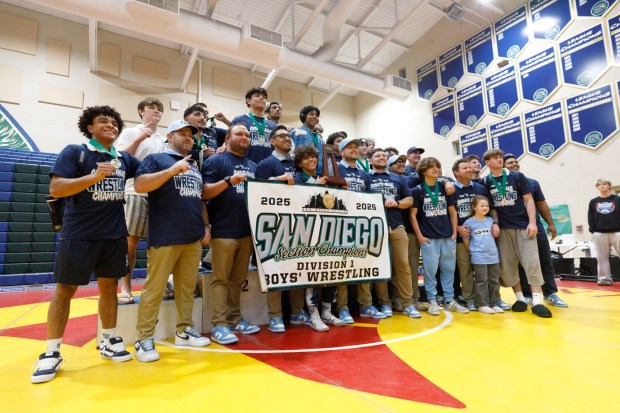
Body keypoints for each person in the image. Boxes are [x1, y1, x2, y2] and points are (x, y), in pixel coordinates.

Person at [31, 106, 140, 383]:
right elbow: (56, 189)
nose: (111, 125)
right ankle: (51, 353)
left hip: (114, 234)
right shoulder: (76, 152)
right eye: (103, 121)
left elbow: (150, 171)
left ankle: (107, 340)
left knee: (109, 288)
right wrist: (93, 177)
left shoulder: (124, 159)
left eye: (114, 123)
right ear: (90, 127)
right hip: (79, 234)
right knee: (64, 290)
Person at [133, 120, 211, 362]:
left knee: (187, 288)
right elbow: (139, 185)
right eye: (183, 134)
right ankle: (144, 339)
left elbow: (199, 199)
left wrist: (206, 225)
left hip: (192, 236)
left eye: (191, 135)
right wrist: (171, 170)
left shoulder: (194, 166)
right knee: (154, 289)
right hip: (166, 235)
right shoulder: (156, 160)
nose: (189, 138)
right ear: (170, 136)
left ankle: (184, 331)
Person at [202, 124, 260, 344]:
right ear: (227, 138)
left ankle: (235, 319)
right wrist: (228, 182)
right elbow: (204, 192)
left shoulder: (253, 166)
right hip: (223, 230)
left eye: (247, 135)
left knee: (237, 280)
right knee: (221, 279)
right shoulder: (215, 161)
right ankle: (219, 324)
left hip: (246, 232)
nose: (244, 137)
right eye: (239, 134)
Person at [479, 149, 552, 318]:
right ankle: (519, 298)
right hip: (503, 229)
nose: (499, 160)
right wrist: (495, 224)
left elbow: (529, 200)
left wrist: (532, 222)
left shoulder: (517, 177)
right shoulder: (485, 181)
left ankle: (537, 301)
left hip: (523, 226)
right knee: (508, 266)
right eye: (495, 158)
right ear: (487, 162)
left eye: (500, 157)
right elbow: (492, 208)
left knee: (532, 262)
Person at [255, 125, 311, 332]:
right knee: (275, 271)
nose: (287, 139)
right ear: (272, 141)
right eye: (281, 136)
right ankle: (275, 317)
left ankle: (297, 311)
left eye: (289, 136)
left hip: (299, 223)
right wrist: (276, 180)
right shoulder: (266, 163)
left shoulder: (296, 164)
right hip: (275, 225)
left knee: (297, 270)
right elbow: (256, 189)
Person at [115, 97, 166, 304]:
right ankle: (125, 287)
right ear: (140, 112)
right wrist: (139, 139)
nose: (156, 111)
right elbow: (118, 158)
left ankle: (156, 286)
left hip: (159, 195)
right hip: (134, 191)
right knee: (131, 242)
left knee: (159, 244)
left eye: (159, 109)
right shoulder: (129, 132)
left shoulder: (164, 139)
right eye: (151, 108)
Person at [503, 154, 568, 307]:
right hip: (514, 229)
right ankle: (527, 294)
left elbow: (541, 204)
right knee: (520, 264)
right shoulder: (501, 185)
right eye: (510, 163)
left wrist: (550, 224)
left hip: (535, 228)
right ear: (504, 167)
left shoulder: (532, 183)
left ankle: (550, 293)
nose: (514, 164)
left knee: (544, 260)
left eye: (516, 162)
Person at [292, 145, 344, 331]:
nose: (311, 160)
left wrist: (343, 190)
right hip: (307, 233)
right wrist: (315, 187)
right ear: (299, 163)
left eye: (313, 157)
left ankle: (327, 311)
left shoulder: (328, 178)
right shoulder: (296, 179)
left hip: (329, 230)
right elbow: (294, 201)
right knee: (313, 275)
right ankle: (313, 314)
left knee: (331, 272)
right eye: (305, 158)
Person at [409, 157, 469, 316]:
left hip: (448, 236)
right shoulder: (417, 190)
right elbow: (413, 216)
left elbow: (452, 211)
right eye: (432, 167)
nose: (436, 169)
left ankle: (449, 300)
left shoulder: (445, 188)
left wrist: (455, 232)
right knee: (430, 271)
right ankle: (432, 301)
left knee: (449, 269)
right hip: (429, 237)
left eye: (438, 166)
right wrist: (420, 237)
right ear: (423, 171)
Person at [336, 137, 386, 322]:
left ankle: (366, 306)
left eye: (356, 147)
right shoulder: (335, 169)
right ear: (341, 151)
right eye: (349, 147)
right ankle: (342, 308)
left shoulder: (363, 173)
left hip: (362, 224)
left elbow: (370, 200)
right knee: (342, 267)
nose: (354, 150)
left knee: (363, 265)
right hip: (341, 223)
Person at [367, 148, 421, 318]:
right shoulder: (366, 177)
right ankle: (385, 304)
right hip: (375, 228)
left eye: (384, 155)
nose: (381, 157)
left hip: (398, 227)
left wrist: (396, 203)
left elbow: (409, 200)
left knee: (403, 266)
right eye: (377, 155)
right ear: (370, 160)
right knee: (381, 267)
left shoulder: (398, 178)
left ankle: (408, 303)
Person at [451, 158, 493, 311]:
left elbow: (490, 209)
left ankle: (489, 299)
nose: (469, 170)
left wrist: (494, 223)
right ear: (456, 172)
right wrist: (457, 228)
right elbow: (449, 213)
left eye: (470, 167)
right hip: (463, 238)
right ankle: (469, 298)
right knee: (465, 269)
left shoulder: (480, 189)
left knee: (485, 269)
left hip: (482, 237)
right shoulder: (450, 190)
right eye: (465, 168)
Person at [388, 154, 426, 312]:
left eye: (403, 162)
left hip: (408, 229)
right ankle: (395, 298)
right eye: (397, 162)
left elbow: (436, 178)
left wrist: (446, 181)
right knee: (393, 268)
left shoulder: (412, 179)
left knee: (407, 267)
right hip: (393, 226)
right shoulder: (385, 180)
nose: (401, 164)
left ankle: (412, 299)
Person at [463, 195, 502, 314]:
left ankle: (494, 303)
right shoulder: (469, 222)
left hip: (493, 256)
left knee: (494, 280)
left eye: (487, 206)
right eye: (482, 206)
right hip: (479, 257)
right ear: (474, 207)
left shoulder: (490, 221)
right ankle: (482, 304)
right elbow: (466, 239)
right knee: (481, 281)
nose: (485, 208)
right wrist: (472, 251)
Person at [231, 87, 277, 164]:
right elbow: (231, 144)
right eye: (257, 96)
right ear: (249, 101)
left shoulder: (273, 125)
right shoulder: (239, 120)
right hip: (245, 166)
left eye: (264, 97)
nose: (261, 98)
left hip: (268, 168)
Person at [588, 178, 620, 286]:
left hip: (617, 232)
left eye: (604, 184)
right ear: (597, 187)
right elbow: (590, 217)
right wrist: (593, 231)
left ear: (609, 186)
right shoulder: (593, 202)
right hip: (600, 233)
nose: (602, 186)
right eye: (599, 184)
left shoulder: (617, 200)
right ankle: (604, 279)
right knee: (602, 258)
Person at [290, 105, 324, 171]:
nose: (315, 117)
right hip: (301, 173)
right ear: (303, 116)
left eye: (316, 115)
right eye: (311, 114)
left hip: (319, 173)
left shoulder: (320, 138)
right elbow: (290, 154)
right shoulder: (295, 133)